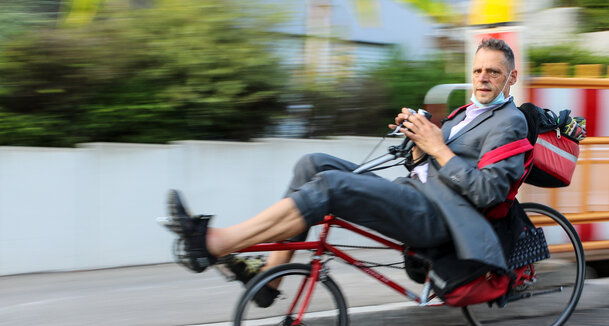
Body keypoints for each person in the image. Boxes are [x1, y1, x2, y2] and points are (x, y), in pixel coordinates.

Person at [165, 38, 530, 307]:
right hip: (416, 194)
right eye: (478, 70)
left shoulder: (509, 123)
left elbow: (488, 192)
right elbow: (428, 165)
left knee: (331, 186)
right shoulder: (464, 113)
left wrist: (438, 148)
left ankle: (217, 242)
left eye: (493, 72)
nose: (483, 78)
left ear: (510, 77)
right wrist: (418, 140)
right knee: (313, 164)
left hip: (441, 220)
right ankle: (267, 283)